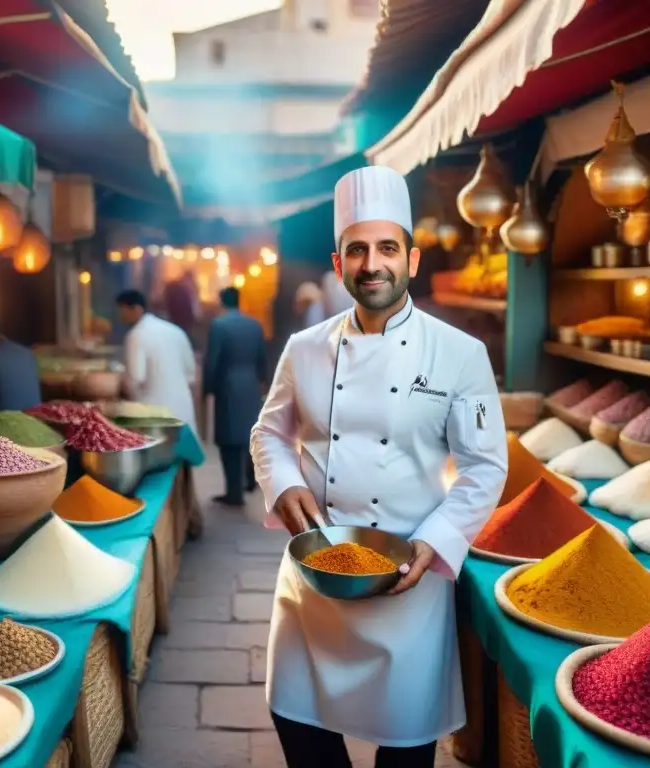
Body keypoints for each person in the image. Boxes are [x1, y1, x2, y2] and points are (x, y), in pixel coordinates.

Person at [250, 165, 508, 767]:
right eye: (357, 250)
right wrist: (284, 484)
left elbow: (484, 466)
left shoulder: (460, 355)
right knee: (298, 727)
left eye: (387, 248)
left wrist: (436, 542)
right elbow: (269, 431)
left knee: (405, 754)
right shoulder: (304, 348)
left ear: (412, 260)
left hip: (406, 588)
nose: (373, 264)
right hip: (313, 583)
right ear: (339, 265)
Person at [204, 287, 266, 507]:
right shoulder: (255, 324)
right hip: (250, 383)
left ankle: (234, 492)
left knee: (229, 440)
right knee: (249, 434)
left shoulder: (219, 325)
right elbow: (262, 357)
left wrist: (207, 388)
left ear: (221, 302)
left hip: (228, 384)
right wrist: (262, 382)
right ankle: (251, 480)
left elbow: (212, 360)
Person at [117, 290, 198, 433]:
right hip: (183, 409)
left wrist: (121, 382)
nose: (120, 315)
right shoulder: (175, 330)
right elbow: (191, 374)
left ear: (136, 309)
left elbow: (135, 378)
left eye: (122, 310)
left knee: (159, 453)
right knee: (183, 453)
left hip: (155, 413)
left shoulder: (136, 335)